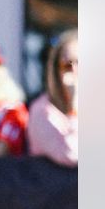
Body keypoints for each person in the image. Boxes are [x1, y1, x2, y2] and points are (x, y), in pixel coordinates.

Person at [27, 29, 78, 167]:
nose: (75, 71)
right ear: (56, 70)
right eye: (67, 65)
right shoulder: (41, 110)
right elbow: (71, 154)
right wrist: (74, 109)